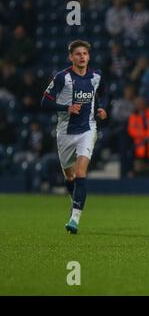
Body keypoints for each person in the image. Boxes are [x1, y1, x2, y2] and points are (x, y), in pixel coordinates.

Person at [40, 40, 108, 234]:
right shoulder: (62, 78)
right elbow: (44, 103)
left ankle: (75, 218)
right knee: (69, 176)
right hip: (64, 133)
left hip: (87, 130)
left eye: (85, 53)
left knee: (80, 173)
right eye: (77, 54)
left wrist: (102, 107)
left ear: (89, 56)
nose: (82, 57)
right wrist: (66, 108)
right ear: (71, 57)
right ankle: (75, 201)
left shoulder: (96, 76)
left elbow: (103, 92)